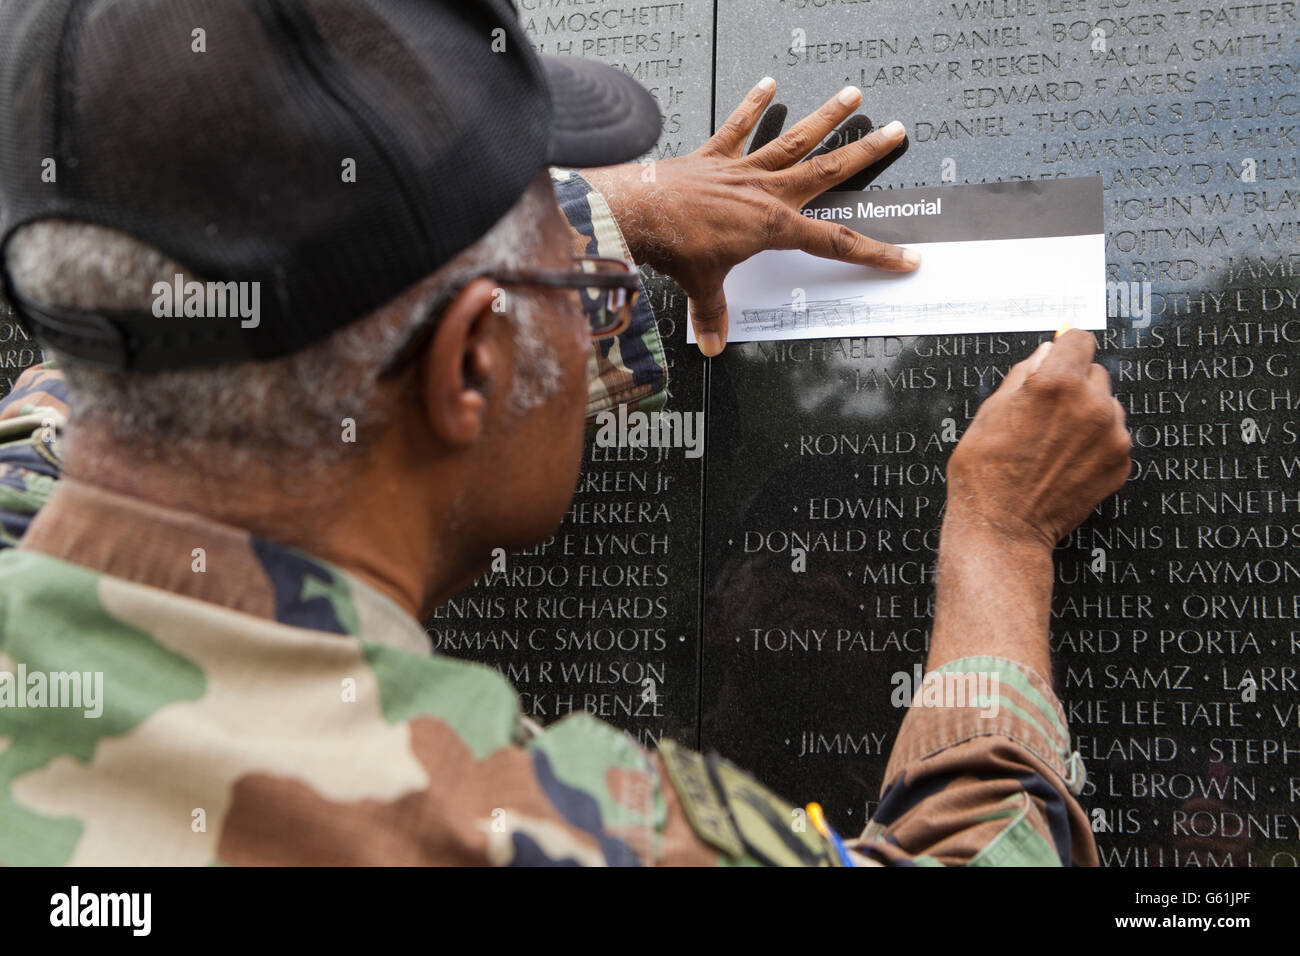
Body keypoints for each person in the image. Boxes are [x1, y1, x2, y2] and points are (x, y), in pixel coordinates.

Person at [0, 0, 1130, 866]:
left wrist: (599, 218)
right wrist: (1000, 533)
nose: (591, 272)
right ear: (475, 364)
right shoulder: (544, 830)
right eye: (562, 255)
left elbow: (73, 399)